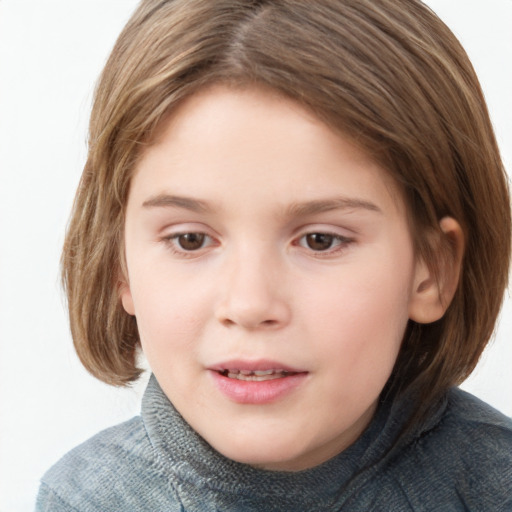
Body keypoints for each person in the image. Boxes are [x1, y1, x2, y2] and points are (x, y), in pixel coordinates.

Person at [35, 0, 512, 510]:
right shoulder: (86, 499)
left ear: (431, 270)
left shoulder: (492, 484)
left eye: (320, 240)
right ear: (119, 264)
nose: (249, 303)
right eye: (190, 239)